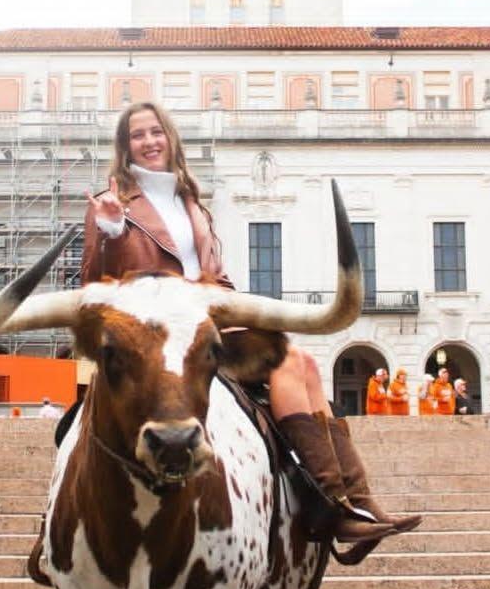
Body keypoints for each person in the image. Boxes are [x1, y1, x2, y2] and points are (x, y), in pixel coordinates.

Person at [82, 102, 420, 546]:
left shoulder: (191, 202)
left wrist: (234, 306)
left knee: (303, 364)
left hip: (203, 321)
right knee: (286, 364)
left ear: (170, 138)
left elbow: (214, 276)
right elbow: (92, 283)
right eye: (138, 135)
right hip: (154, 335)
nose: (149, 142)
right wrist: (111, 233)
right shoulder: (113, 206)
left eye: (156, 132)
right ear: (125, 147)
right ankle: (333, 503)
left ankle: (355, 498)